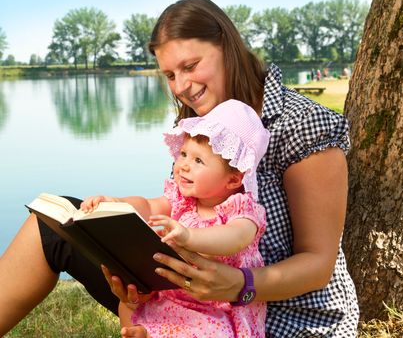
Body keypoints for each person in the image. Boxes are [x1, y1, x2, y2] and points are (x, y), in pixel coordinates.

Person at [0, 0, 359, 337]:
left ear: (226, 44)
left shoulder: (303, 123)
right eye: (170, 75)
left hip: (284, 319)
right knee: (50, 230)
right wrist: (111, 212)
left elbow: (318, 264)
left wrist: (238, 286)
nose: (182, 87)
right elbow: (173, 205)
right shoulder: (196, 124)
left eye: (190, 66)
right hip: (187, 303)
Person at [82, 99, 269, 337]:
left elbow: (233, 238)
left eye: (198, 160)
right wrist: (117, 203)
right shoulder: (181, 199)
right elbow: (148, 205)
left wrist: (189, 236)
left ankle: (150, 334)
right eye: (183, 154)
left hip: (216, 308)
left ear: (233, 179)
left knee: (211, 332)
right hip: (173, 296)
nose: (183, 166)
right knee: (132, 301)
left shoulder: (241, 210)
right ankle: (143, 331)